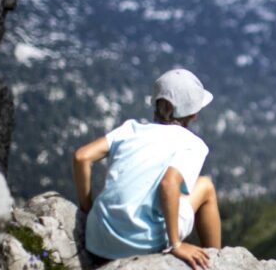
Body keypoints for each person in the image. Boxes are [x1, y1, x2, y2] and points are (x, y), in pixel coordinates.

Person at [72, 68, 221, 270]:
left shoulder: (130, 129)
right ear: (193, 114)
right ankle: (217, 262)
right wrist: (176, 244)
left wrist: (87, 210)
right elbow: (168, 184)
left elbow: (81, 157)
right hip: (142, 244)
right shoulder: (191, 144)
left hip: (98, 240)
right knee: (206, 187)